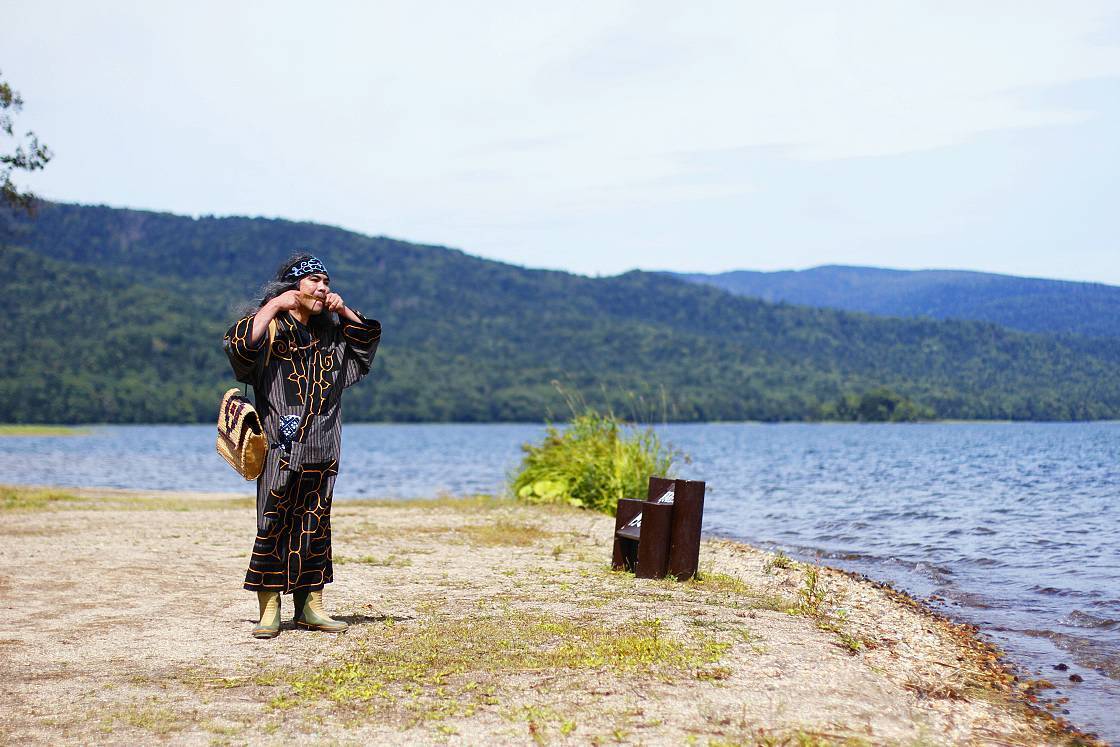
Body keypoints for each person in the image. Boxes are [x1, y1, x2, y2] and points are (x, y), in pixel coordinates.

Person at [223, 254, 380, 639]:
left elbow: (366, 343)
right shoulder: (272, 326)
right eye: (313, 280)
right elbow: (239, 346)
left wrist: (342, 310)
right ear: (293, 286)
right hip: (281, 445)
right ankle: (269, 608)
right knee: (273, 522)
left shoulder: (331, 334)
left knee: (316, 522)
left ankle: (311, 606)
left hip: (324, 444)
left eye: (326, 281)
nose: (323, 287)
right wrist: (275, 304)